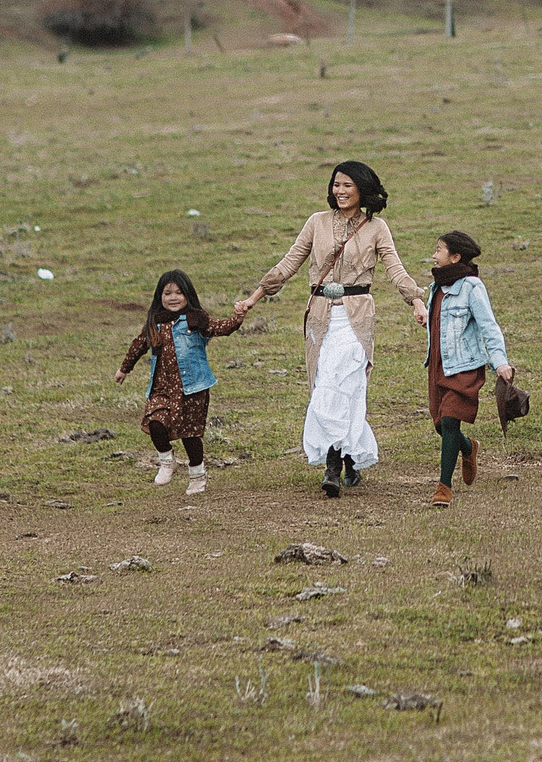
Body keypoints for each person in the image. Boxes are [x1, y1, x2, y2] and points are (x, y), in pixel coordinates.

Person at [234, 161, 425, 498]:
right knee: (326, 385)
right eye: (336, 184)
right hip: (320, 316)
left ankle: (333, 467)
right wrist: (255, 297)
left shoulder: (377, 228)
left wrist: (415, 301)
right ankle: (349, 457)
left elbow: (395, 268)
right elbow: (289, 262)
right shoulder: (316, 223)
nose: (340, 191)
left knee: (343, 384)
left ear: (362, 189)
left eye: (347, 185)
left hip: (357, 318)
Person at [116, 268, 243, 495]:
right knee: (155, 422)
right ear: (159, 297)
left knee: (190, 434)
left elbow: (220, 328)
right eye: (167, 293)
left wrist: (238, 318)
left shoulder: (196, 320)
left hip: (193, 388)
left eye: (178, 293)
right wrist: (124, 369)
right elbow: (139, 345)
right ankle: (167, 460)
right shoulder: (155, 323)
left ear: (188, 295)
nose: (173, 298)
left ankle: (197, 475)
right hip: (162, 388)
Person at [417, 229, 511, 507]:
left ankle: (443, 488)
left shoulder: (471, 287)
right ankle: (468, 447)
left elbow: (488, 326)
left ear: (455, 257)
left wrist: (500, 362)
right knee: (441, 426)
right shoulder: (437, 287)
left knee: (449, 421)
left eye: (438, 250)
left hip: (465, 366)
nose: (433, 255)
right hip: (437, 367)